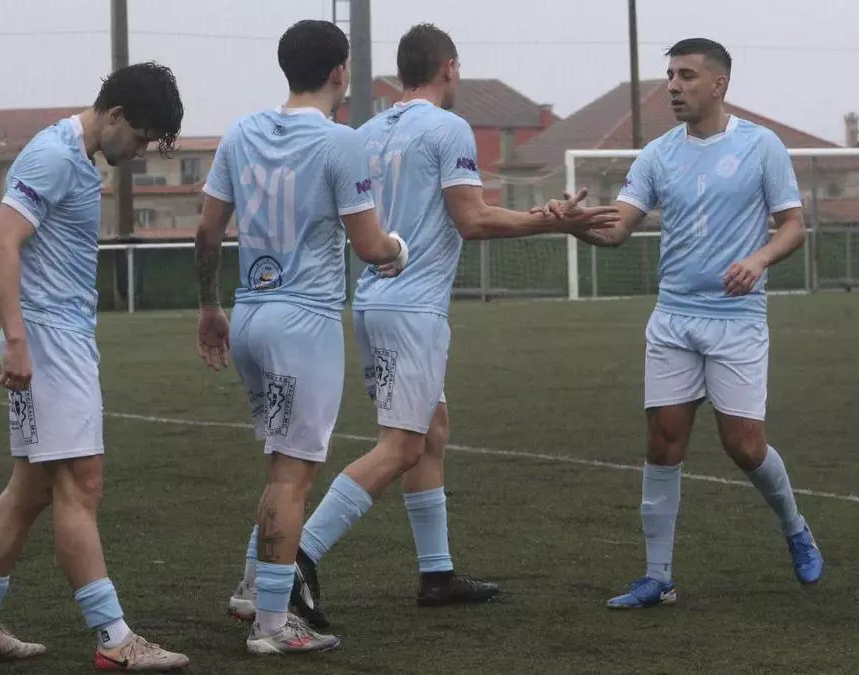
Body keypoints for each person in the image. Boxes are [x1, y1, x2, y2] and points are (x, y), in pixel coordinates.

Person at [225, 22, 621, 630]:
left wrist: (538, 215)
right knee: (403, 446)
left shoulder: (366, 130)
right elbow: (472, 219)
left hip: (372, 299)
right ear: (449, 68)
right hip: (413, 308)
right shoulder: (447, 127)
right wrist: (552, 222)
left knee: (431, 429)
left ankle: (436, 573)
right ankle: (294, 559)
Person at [554, 38, 824, 610]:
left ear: (719, 85)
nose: (673, 87)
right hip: (674, 318)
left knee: (744, 446)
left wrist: (758, 260)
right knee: (663, 443)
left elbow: (793, 226)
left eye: (687, 76)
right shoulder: (657, 155)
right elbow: (616, 229)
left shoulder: (761, 146)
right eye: (670, 76)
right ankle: (658, 577)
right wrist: (574, 223)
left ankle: (795, 527)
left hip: (736, 321)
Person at [0, 62, 191, 671]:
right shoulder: (54, 156)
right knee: (82, 484)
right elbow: (1, 244)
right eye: (139, 138)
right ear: (115, 114)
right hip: (48, 341)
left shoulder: (78, 158)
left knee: (29, 489)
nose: (139, 152)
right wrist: (17, 340)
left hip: (60, 338)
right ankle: (115, 639)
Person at [195, 19, 410, 655]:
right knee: (293, 475)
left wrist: (208, 306)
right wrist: (399, 249)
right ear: (340, 72)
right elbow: (370, 246)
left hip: (249, 316)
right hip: (303, 324)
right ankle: (271, 624)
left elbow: (207, 232)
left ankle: (252, 588)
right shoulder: (341, 143)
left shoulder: (241, 132)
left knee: (280, 467)